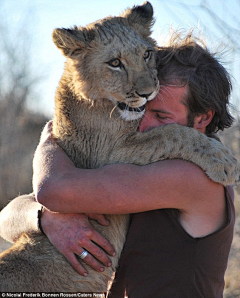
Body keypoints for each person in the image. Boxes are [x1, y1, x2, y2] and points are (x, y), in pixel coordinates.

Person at [0, 32, 237, 297]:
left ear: (203, 119)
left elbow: (52, 190)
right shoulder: (144, 158)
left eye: (160, 115)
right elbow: (6, 219)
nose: (143, 126)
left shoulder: (192, 176)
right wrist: (45, 219)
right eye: (139, 109)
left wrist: (50, 138)